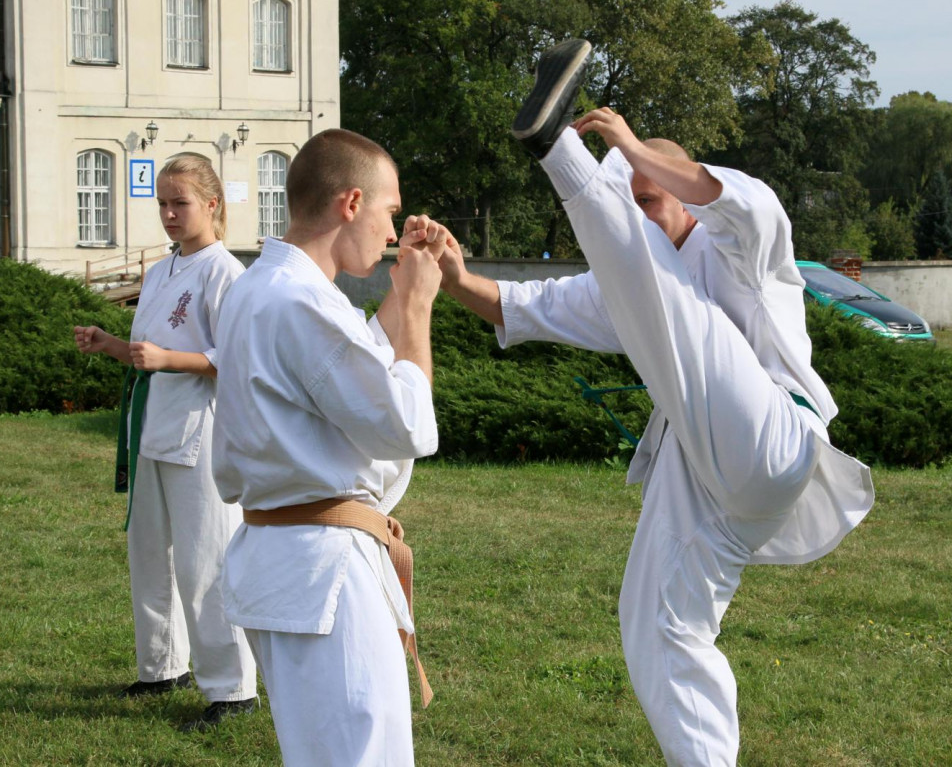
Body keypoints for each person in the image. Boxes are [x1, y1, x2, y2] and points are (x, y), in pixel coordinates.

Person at [441, 39, 875, 766]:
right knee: (656, 623)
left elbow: (720, 198)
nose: (639, 218)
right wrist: (453, 278)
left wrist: (633, 148)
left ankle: (554, 147)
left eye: (646, 198)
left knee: (663, 297)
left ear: (674, 186)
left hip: (776, 437)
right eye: (630, 204)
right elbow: (526, 305)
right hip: (716, 491)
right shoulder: (633, 284)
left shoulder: (747, 241)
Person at [211, 128, 446, 767]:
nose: (394, 230)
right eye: (390, 210)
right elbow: (406, 426)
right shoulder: (300, 298)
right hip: (323, 569)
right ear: (350, 203)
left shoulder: (262, 288)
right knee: (361, 755)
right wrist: (418, 309)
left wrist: (404, 288)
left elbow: (348, 370)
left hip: (288, 558)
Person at [73, 154, 258, 732]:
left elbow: (240, 361)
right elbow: (143, 354)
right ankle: (161, 666)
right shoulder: (159, 271)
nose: (169, 214)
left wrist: (171, 360)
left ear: (212, 204)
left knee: (205, 560)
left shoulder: (225, 273)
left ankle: (233, 688)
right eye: (162, 204)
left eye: (180, 203)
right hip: (150, 423)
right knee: (150, 555)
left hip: (200, 431)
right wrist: (107, 342)